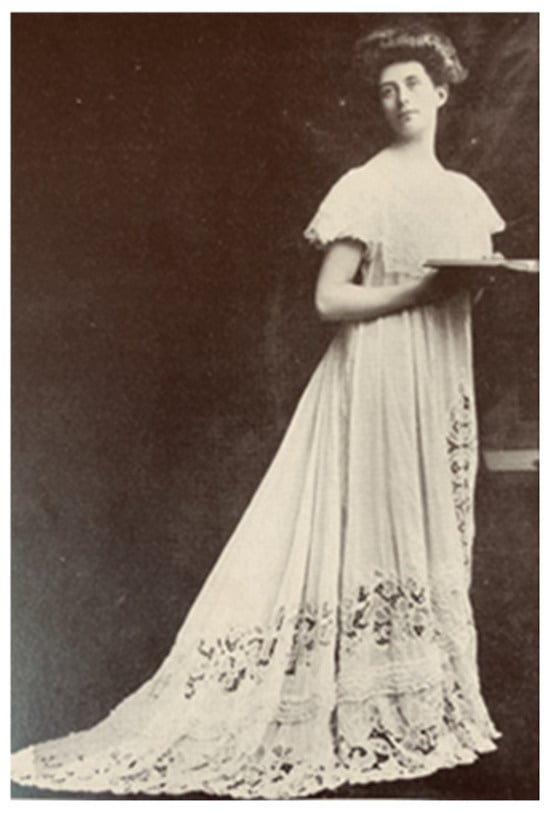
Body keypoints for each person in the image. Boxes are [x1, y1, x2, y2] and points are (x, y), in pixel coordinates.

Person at [11, 22, 505, 800]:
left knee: (425, 523)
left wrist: (468, 285)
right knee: (365, 527)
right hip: (374, 378)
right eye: (386, 90)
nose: (400, 98)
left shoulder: (466, 196)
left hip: (436, 378)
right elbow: (328, 299)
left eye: (413, 84)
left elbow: (465, 289)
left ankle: (416, 700)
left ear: (442, 92)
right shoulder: (364, 186)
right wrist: (421, 289)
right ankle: (349, 703)